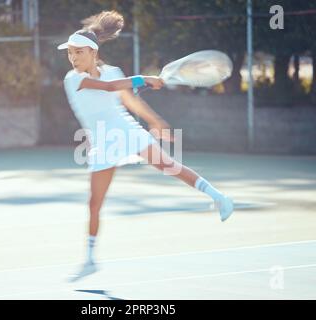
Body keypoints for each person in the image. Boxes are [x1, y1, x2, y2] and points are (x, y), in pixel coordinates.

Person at [57, 10, 234, 281]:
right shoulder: (73, 79)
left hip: (127, 131)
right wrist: (143, 78)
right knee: (94, 204)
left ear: (92, 52)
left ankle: (220, 198)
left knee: (169, 166)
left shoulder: (112, 72)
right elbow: (109, 88)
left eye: (78, 52)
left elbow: (130, 101)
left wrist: (156, 121)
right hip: (103, 143)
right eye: (70, 52)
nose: (73, 57)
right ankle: (90, 259)